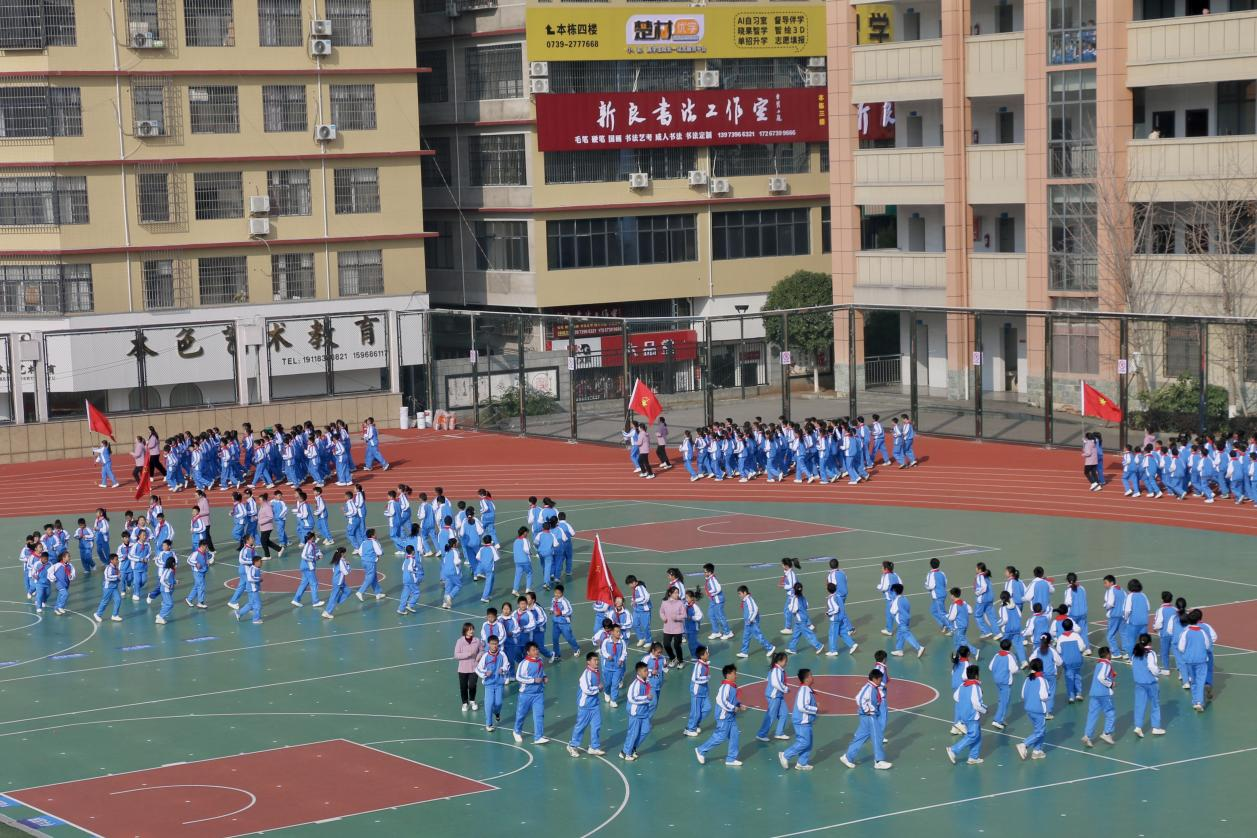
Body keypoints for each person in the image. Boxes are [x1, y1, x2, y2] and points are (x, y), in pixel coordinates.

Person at [840, 669, 891, 769]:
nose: (881, 682)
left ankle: (847, 757)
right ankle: (878, 761)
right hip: (870, 716)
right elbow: (859, 698)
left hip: (867, 717)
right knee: (878, 737)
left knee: (861, 737)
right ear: (875, 679)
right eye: (880, 680)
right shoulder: (869, 688)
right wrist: (867, 710)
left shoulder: (872, 687)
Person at [695, 664, 744, 767]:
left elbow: (733, 700)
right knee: (720, 736)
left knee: (734, 736)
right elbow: (721, 700)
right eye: (735, 673)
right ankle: (701, 750)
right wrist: (733, 708)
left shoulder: (733, 687)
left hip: (731, 717)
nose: (736, 675)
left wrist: (739, 705)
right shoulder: (725, 687)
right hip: (724, 717)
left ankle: (731, 759)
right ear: (728, 674)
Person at [779, 668, 818, 771]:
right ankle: (785, 755)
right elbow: (802, 706)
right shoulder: (804, 690)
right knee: (804, 742)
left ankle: (802, 763)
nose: (812, 677)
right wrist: (815, 708)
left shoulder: (807, 689)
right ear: (806, 679)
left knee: (809, 743)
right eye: (811, 675)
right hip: (802, 721)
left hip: (806, 721)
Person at [946, 664, 986, 765]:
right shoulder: (976, 686)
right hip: (972, 715)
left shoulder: (963, 685)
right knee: (973, 735)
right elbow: (977, 704)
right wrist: (984, 710)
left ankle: (973, 757)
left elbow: (956, 697)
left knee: (978, 735)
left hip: (964, 714)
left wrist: (965, 703)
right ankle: (954, 750)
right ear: (977, 675)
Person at [568, 652, 605, 757]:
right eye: (594, 660)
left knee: (596, 726)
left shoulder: (597, 672)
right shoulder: (586, 674)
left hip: (595, 704)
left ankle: (594, 747)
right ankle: (572, 746)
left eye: (597, 660)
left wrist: (599, 688)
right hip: (585, 705)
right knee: (581, 726)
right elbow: (587, 690)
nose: (597, 662)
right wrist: (598, 688)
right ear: (588, 662)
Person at [512, 642, 548, 745]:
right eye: (533, 650)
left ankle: (538, 737)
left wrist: (544, 677)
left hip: (538, 693)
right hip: (526, 694)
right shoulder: (524, 663)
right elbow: (518, 677)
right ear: (528, 652)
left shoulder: (540, 660)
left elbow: (541, 672)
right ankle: (517, 731)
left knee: (539, 715)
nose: (536, 651)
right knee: (521, 714)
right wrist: (533, 680)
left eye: (537, 649)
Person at [1130, 633, 1166, 737]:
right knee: (1155, 704)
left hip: (1139, 682)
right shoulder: (1151, 653)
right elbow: (1152, 667)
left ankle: (1138, 727)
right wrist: (1158, 672)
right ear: (1149, 642)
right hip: (1150, 682)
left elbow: (1133, 664)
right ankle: (1156, 727)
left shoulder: (1135, 653)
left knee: (1139, 704)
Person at [1081, 647, 1117, 747]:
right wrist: (1111, 684)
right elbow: (1101, 677)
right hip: (1104, 693)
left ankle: (1087, 736)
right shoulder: (1107, 664)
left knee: (1092, 714)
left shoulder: (1098, 664)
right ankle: (1107, 733)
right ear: (1107, 654)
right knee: (1110, 713)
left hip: (1094, 693)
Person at [1017, 658, 1051, 760]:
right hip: (1038, 709)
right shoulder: (1042, 680)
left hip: (1028, 709)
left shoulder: (1028, 679)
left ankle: (1037, 751)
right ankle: (1024, 744)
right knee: (1040, 731)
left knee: (1039, 730)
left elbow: (1023, 695)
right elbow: (1044, 696)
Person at [756, 652, 792, 742]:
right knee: (771, 715)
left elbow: (769, 679)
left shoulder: (777, 670)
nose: (786, 662)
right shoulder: (776, 670)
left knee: (784, 713)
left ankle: (779, 733)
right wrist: (785, 689)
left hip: (778, 696)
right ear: (780, 661)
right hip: (774, 696)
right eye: (785, 660)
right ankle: (761, 734)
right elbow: (775, 684)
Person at [620, 662, 653, 761]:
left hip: (644, 711)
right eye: (645, 671)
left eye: (647, 670)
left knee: (646, 730)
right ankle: (625, 752)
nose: (647, 672)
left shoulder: (646, 681)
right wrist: (646, 698)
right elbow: (632, 698)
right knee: (633, 733)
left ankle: (633, 747)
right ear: (639, 672)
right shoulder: (635, 684)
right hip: (636, 712)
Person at [476, 635, 508, 732]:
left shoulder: (502, 655)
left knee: (498, 703)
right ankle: (489, 724)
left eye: (496, 644)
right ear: (489, 644)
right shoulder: (485, 656)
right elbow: (478, 669)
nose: (494, 646)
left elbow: (507, 665)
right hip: (489, 684)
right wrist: (485, 673)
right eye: (492, 644)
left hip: (499, 683)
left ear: (498, 644)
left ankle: (497, 713)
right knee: (489, 704)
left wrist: (502, 670)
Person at [736, 585, 775, 658]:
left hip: (752, 622)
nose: (739, 595)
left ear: (744, 593)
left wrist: (750, 620)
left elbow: (755, 609)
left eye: (740, 593)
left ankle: (770, 648)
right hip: (748, 622)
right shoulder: (745, 600)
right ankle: (744, 652)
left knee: (759, 636)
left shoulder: (749, 600)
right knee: (746, 637)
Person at [889, 584, 925, 658]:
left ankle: (919, 648)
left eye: (892, 592)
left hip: (901, 620)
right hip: (906, 619)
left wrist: (891, 604)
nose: (891, 593)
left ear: (895, 592)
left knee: (906, 634)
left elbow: (892, 611)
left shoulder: (896, 601)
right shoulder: (905, 599)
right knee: (900, 634)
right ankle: (899, 650)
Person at [455, 623, 484, 713]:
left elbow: (482, 650)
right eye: (469, 629)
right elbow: (456, 655)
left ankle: (472, 700)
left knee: (472, 685)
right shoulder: (460, 641)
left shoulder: (477, 640)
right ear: (465, 631)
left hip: (474, 667)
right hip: (463, 668)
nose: (471, 631)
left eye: (472, 629)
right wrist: (468, 654)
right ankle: (465, 703)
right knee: (463, 686)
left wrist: (478, 657)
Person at [684, 645, 712, 736]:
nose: (708, 654)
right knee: (696, 712)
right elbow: (696, 678)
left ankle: (695, 724)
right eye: (706, 653)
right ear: (701, 656)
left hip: (704, 691)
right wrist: (706, 678)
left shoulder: (705, 663)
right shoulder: (698, 665)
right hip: (697, 692)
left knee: (707, 708)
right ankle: (690, 729)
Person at [825, 581, 857, 656]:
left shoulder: (831, 599)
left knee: (832, 634)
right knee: (842, 632)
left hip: (835, 619)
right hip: (841, 617)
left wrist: (828, 613)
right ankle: (852, 645)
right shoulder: (838, 596)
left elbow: (835, 609)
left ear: (828, 590)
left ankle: (833, 650)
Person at [599, 623, 628, 707]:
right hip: (607, 667)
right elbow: (603, 651)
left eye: (619, 632)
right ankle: (607, 693)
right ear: (612, 632)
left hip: (618, 667)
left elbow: (624, 652)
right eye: (617, 632)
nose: (619, 633)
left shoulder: (622, 642)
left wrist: (621, 659)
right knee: (608, 683)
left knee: (615, 684)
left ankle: (613, 700)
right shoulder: (606, 641)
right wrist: (607, 656)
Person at [702, 564, 732, 639]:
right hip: (713, 600)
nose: (704, 573)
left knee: (720, 616)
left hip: (718, 600)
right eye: (704, 572)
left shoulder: (712, 579)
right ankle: (716, 632)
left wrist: (709, 593)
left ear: (710, 572)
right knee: (711, 614)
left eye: (705, 572)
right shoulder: (709, 579)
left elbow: (718, 589)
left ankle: (728, 632)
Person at [659, 585, 687, 667]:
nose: (677, 595)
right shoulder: (664, 603)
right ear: (670, 593)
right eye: (675, 593)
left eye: (677, 593)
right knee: (666, 644)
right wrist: (663, 618)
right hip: (667, 628)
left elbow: (684, 615)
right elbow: (661, 612)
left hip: (678, 628)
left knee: (676, 645)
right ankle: (673, 658)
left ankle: (681, 661)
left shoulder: (680, 603)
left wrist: (677, 617)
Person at [234, 554, 265, 625]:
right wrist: (259, 579)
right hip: (252, 590)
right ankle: (256, 619)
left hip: (253, 589)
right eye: (260, 562)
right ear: (256, 562)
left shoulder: (257, 569)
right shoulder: (252, 569)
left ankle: (239, 613)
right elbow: (250, 578)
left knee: (251, 604)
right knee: (258, 605)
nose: (261, 563)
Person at [321, 548, 351, 620]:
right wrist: (348, 565)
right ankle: (327, 612)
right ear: (342, 553)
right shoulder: (341, 561)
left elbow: (334, 570)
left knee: (348, 591)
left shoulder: (336, 561)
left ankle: (337, 601)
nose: (345, 554)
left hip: (338, 581)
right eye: (345, 553)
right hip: (338, 582)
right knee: (334, 597)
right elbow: (346, 572)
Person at [93, 554, 123, 623]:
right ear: (111, 560)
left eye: (117, 559)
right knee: (105, 601)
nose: (117, 561)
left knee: (118, 600)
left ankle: (115, 615)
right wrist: (117, 576)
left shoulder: (116, 568)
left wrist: (119, 578)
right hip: (108, 588)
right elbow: (108, 577)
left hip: (114, 587)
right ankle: (98, 614)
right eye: (116, 559)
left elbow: (118, 577)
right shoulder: (108, 568)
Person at [154, 556, 177, 625]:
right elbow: (162, 580)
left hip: (167, 590)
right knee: (170, 604)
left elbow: (169, 579)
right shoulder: (169, 571)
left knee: (166, 603)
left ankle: (160, 615)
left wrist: (175, 581)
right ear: (172, 564)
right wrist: (168, 586)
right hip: (165, 590)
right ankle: (160, 617)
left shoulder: (170, 570)